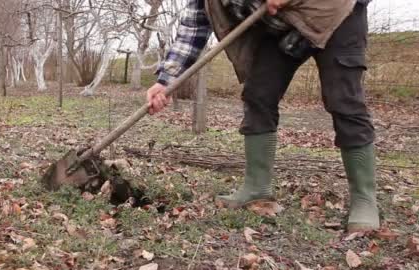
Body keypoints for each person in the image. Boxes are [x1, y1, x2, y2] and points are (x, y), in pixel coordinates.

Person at [146, 0, 378, 233]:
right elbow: (194, 28)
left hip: (336, 12)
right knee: (258, 94)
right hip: (283, 24)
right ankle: (257, 187)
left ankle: (364, 199)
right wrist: (166, 81)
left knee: (343, 99)